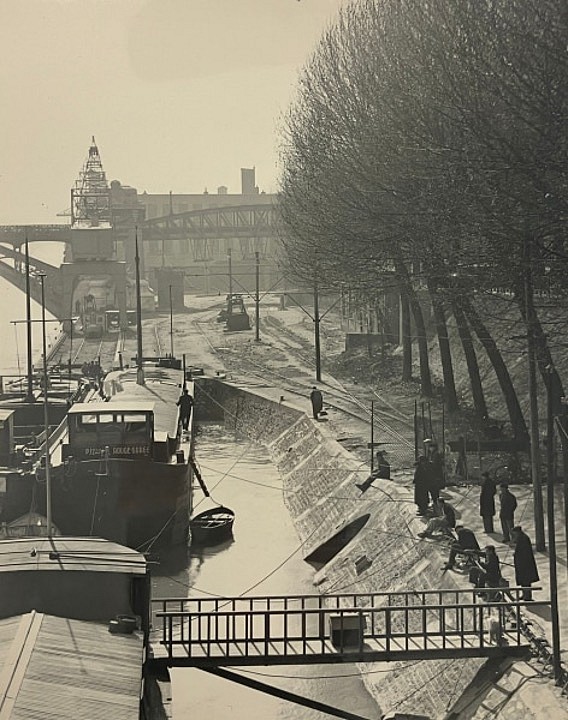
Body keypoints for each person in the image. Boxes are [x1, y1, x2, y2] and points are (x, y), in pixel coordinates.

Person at [512, 526, 539, 601]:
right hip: (522, 563)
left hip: (525, 564)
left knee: (526, 580)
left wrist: (516, 555)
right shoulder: (521, 538)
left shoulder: (523, 539)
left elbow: (523, 552)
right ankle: (524, 594)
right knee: (523, 580)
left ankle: (527, 596)